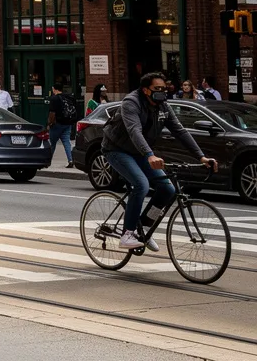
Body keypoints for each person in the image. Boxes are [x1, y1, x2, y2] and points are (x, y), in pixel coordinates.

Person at [102, 72, 218, 251]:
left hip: (140, 151)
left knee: (167, 189)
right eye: (157, 89)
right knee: (141, 184)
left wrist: (201, 156)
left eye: (164, 89)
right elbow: (134, 131)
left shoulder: (163, 105)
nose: (162, 92)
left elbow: (179, 131)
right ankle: (127, 234)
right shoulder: (131, 103)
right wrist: (150, 154)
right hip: (117, 149)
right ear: (145, 90)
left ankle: (144, 228)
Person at [45, 84, 77, 168]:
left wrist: (49, 124)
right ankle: (70, 160)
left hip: (57, 124)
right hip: (67, 123)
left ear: (54, 89)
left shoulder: (54, 98)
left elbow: (52, 113)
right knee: (67, 142)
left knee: (52, 143)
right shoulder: (69, 97)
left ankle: (48, 161)